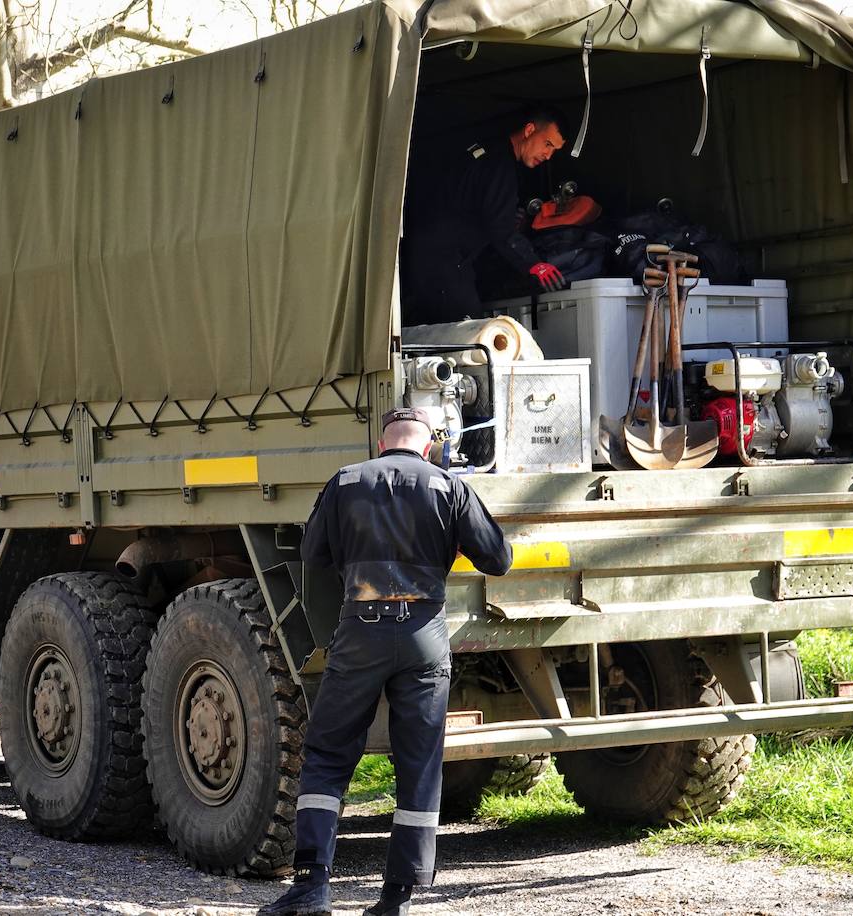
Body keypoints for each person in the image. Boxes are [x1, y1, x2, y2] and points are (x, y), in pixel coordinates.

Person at [258, 408, 513, 916]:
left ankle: (312, 886)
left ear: (381, 444)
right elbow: (498, 559)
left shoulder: (346, 480)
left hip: (362, 629)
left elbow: (313, 553)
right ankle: (395, 897)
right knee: (418, 762)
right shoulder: (448, 486)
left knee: (329, 754)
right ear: (428, 447)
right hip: (424, 633)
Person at [401, 107, 570, 325]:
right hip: (445, 263)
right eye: (547, 144)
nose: (548, 155)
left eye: (554, 150)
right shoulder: (500, 166)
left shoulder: (484, 150)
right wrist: (534, 264)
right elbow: (501, 229)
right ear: (529, 130)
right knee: (467, 338)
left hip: (423, 257)